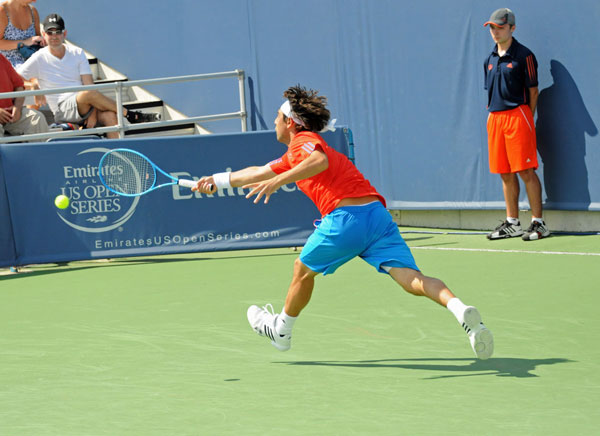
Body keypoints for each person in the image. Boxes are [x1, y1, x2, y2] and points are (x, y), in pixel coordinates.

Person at [192, 85, 494, 360]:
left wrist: (278, 181)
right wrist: (215, 180)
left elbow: (318, 161)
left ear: (290, 122)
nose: (274, 122)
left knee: (302, 270)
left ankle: (281, 331)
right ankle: (461, 311)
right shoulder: (292, 155)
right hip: (377, 217)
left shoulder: (303, 142)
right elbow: (257, 172)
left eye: (277, 117)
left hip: (347, 219)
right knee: (412, 279)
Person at [17, 13, 159, 140]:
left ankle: (118, 157)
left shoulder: (77, 52)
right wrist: (33, 85)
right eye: (50, 32)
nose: (54, 36)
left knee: (110, 116)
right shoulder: (39, 57)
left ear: (64, 33)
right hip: (62, 110)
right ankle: (131, 115)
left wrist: (93, 113)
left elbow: (90, 87)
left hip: (85, 105)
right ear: (43, 34)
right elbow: (15, 78)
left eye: (58, 32)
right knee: (87, 94)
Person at [483, 8, 550, 241]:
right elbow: (490, 91)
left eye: (500, 27)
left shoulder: (525, 55)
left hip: (518, 116)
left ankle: (539, 223)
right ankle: (512, 223)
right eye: (492, 27)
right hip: (495, 118)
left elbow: (533, 91)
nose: (495, 32)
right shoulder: (489, 59)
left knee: (525, 170)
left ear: (512, 28)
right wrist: (491, 115)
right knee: (504, 172)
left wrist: (527, 117)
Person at [0, 50, 47, 138]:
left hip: (10, 115)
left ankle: (41, 147)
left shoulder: (1, 59)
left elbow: (19, 86)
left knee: (36, 118)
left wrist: (17, 108)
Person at [0, 0, 44, 67]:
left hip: (31, 65)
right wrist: (24, 42)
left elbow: (38, 40)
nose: (34, 1)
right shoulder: (2, 11)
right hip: (8, 68)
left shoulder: (33, 11)